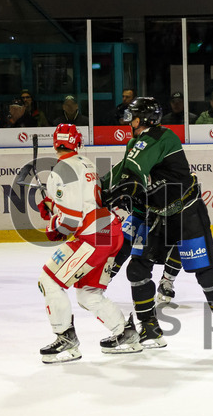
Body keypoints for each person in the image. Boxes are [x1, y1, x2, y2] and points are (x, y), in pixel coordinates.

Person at [102, 97, 213, 348]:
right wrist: (96, 190)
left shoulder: (162, 137)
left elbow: (130, 173)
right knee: (137, 269)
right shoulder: (136, 142)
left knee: (205, 273)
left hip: (185, 213)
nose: (129, 121)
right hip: (156, 214)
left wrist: (113, 193)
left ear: (144, 119)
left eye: (133, 117)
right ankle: (150, 330)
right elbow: (121, 173)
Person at [36, 123, 142, 363]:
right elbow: (84, 202)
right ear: (78, 142)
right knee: (88, 293)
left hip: (93, 236)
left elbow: (70, 221)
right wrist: (54, 207)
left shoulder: (60, 170)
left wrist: (53, 226)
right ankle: (125, 334)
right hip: (109, 230)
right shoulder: (86, 163)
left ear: (55, 143)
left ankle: (65, 339)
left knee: (49, 281)